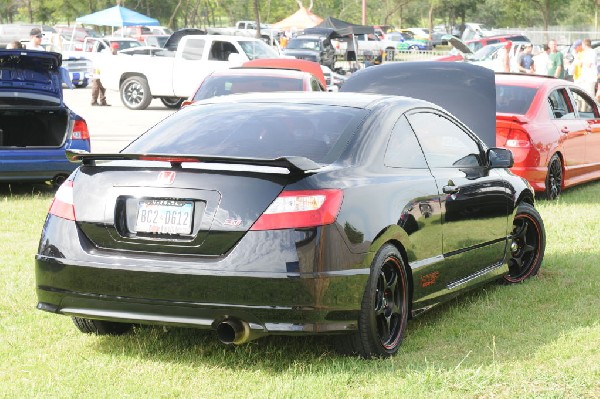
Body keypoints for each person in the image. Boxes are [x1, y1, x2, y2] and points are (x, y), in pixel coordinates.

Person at [91, 42, 118, 106]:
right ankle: (93, 101)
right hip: (97, 69)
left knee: (103, 85)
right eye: (115, 48)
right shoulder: (106, 53)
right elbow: (104, 63)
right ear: (111, 48)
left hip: (104, 70)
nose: (116, 50)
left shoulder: (114, 54)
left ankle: (102, 101)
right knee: (96, 85)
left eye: (117, 49)